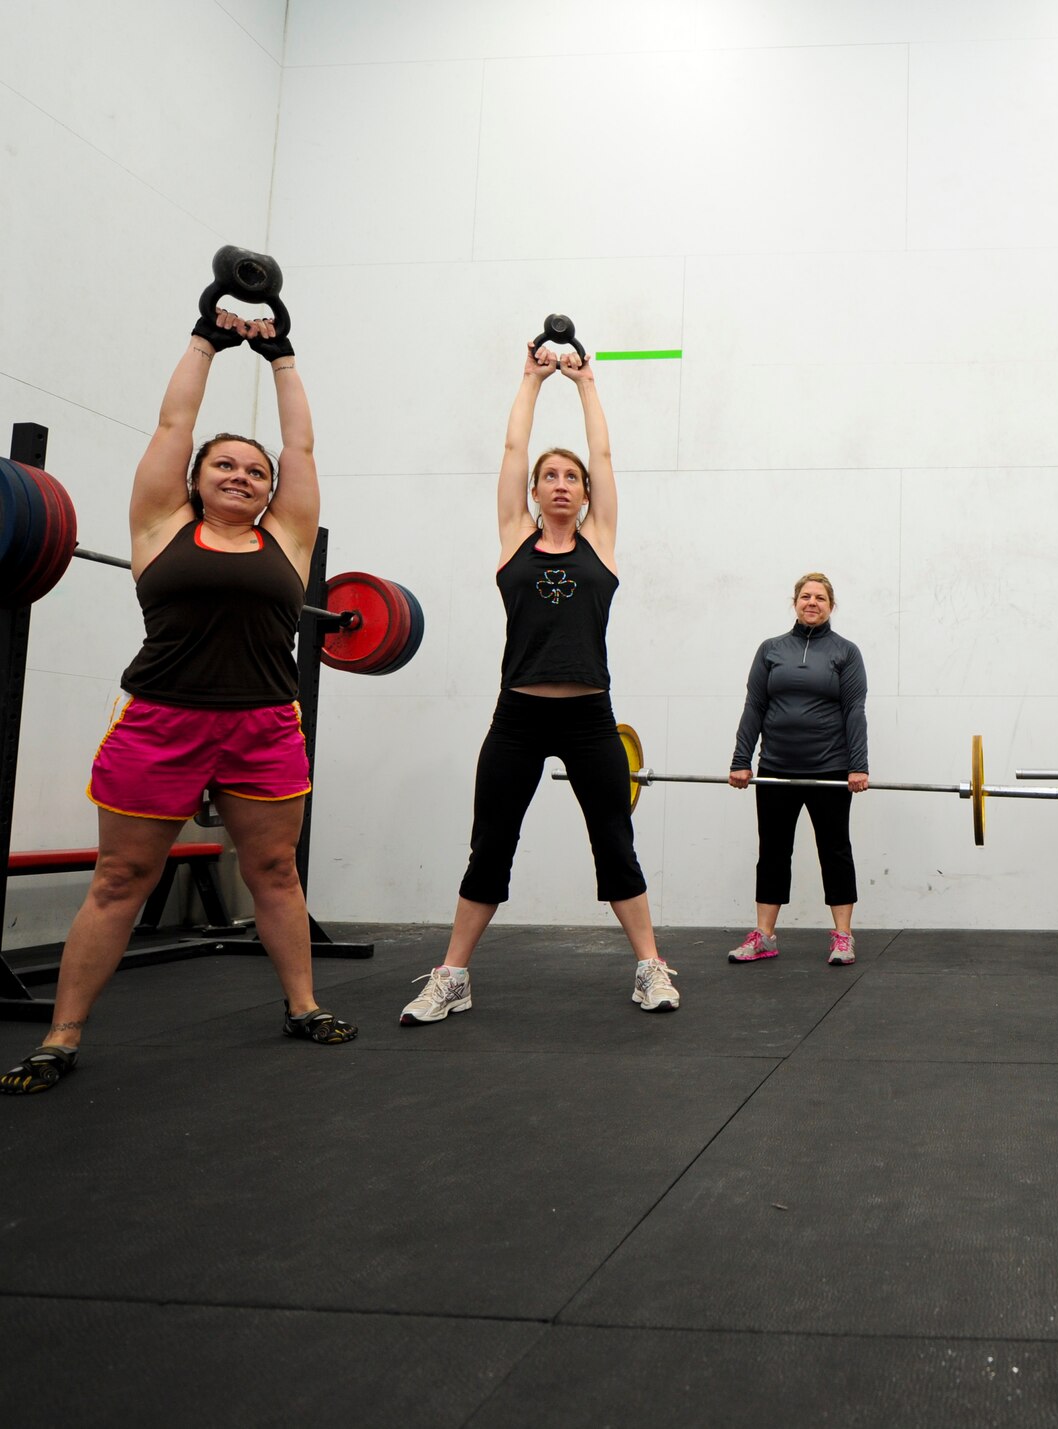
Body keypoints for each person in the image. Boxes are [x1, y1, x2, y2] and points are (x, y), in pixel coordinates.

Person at [2, 293, 355, 1093]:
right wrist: (204, 339)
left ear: (271, 490)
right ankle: (61, 1035)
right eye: (224, 464)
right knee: (120, 879)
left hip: (264, 725)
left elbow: (300, 441)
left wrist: (283, 357)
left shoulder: (288, 538)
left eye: (255, 471)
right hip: (162, 720)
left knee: (274, 871)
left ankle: (302, 1003)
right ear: (195, 478)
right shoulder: (161, 523)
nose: (242, 474)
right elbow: (170, 426)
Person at [400, 340, 677, 1025]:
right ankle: (452, 974)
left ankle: (651, 966)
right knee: (490, 843)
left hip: (589, 720)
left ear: (585, 495)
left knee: (614, 841)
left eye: (570, 477)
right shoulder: (514, 540)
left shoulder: (602, 541)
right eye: (549, 476)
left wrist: (584, 383)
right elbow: (510, 451)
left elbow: (605, 456)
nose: (559, 482)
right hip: (517, 719)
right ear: (535, 492)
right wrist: (529, 379)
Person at [726, 574, 868, 966]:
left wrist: (858, 765)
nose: (812, 602)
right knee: (772, 851)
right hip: (775, 770)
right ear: (795, 602)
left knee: (835, 850)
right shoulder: (771, 650)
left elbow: (854, 710)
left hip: (831, 768)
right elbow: (754, 705)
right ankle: (764, 937)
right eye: (806, 596)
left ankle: (843, 937)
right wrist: (741, 760)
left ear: (831, 606)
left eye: (820, 598)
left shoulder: (846, 652)